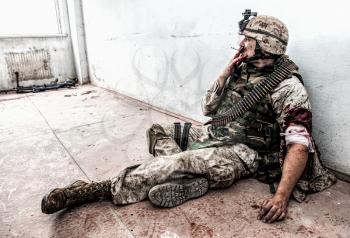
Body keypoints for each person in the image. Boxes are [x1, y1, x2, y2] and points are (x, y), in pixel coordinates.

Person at [41, 11, 336, 224]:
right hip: (218, 134)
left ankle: (95, 190)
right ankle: (187, 180)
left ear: (263, 45)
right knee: (159, 130)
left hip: (246, 152)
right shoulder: (243, 69)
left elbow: (299, 144)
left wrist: (281, 196)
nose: (241, 43)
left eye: (247, 39)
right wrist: (226, 70)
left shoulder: (287, 86)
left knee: (178, 160)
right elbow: (209, 109)